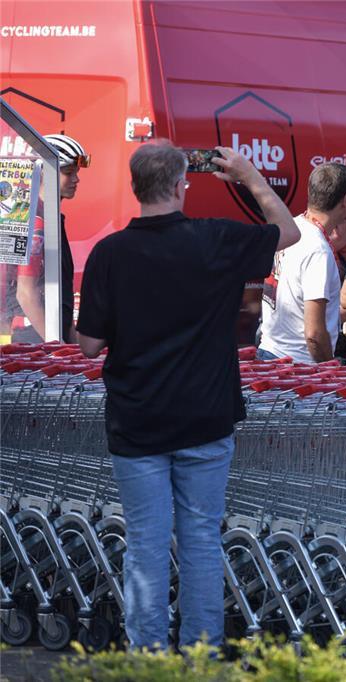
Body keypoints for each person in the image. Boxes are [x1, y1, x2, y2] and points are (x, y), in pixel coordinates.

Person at [76, 139, 299, 650]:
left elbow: (89, 345)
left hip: (138, 420)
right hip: (206, 415)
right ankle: (201, 656)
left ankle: (150, 658)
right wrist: (248, 176)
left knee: (146, 544)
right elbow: (288, 232)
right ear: (181, 185)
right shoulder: (216, 239)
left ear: (136, 188)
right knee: (200, 539)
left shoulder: (110, 254)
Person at [258, 162, 346, 363]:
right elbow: (314, 334)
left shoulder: (292, 229)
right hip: (298, 366)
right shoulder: (318, 249)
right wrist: (330, 369)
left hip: (271, 352)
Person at [5, 134, 87, 342]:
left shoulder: (51, 217)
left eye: (77, 172)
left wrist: (72, 344)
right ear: (44, 172)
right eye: (68, 173)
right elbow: (25, 293)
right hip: (35, 339)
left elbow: (63, 296)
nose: (76, 179)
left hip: (49, 334)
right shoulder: (36, 220)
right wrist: (56, 346)